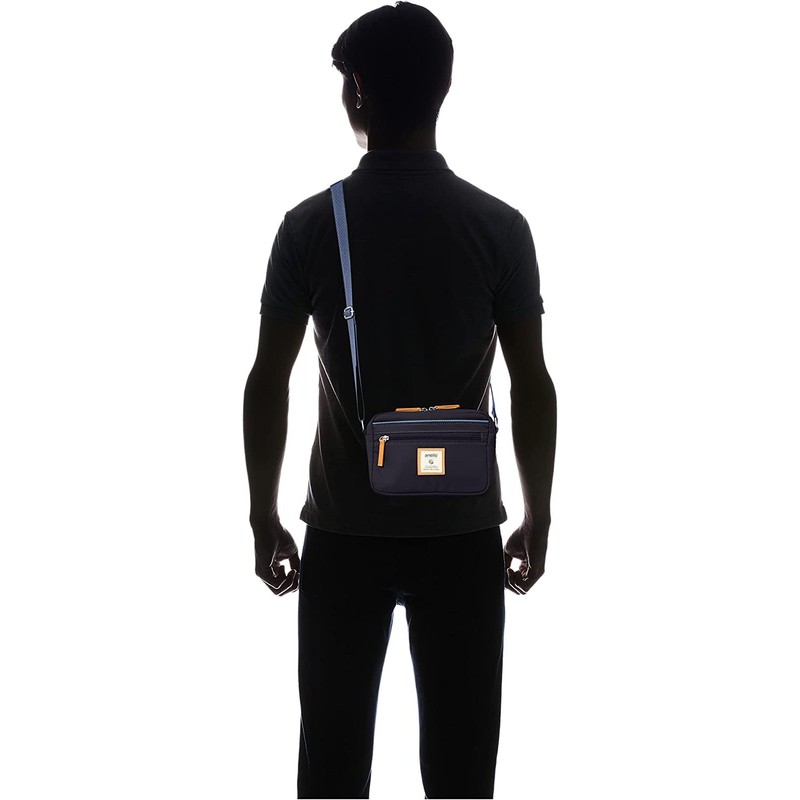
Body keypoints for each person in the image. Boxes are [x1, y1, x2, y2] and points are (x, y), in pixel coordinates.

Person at [242, 3, 557, 797]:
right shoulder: (500, 226)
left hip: (344, 531)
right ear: (444, 88)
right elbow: (532, 380)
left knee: (331, 770)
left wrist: (262, 514)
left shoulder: (309, 226)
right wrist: (538, 514)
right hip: (463, 531)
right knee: (462, 775)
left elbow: (268, 378)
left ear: (357, 90)